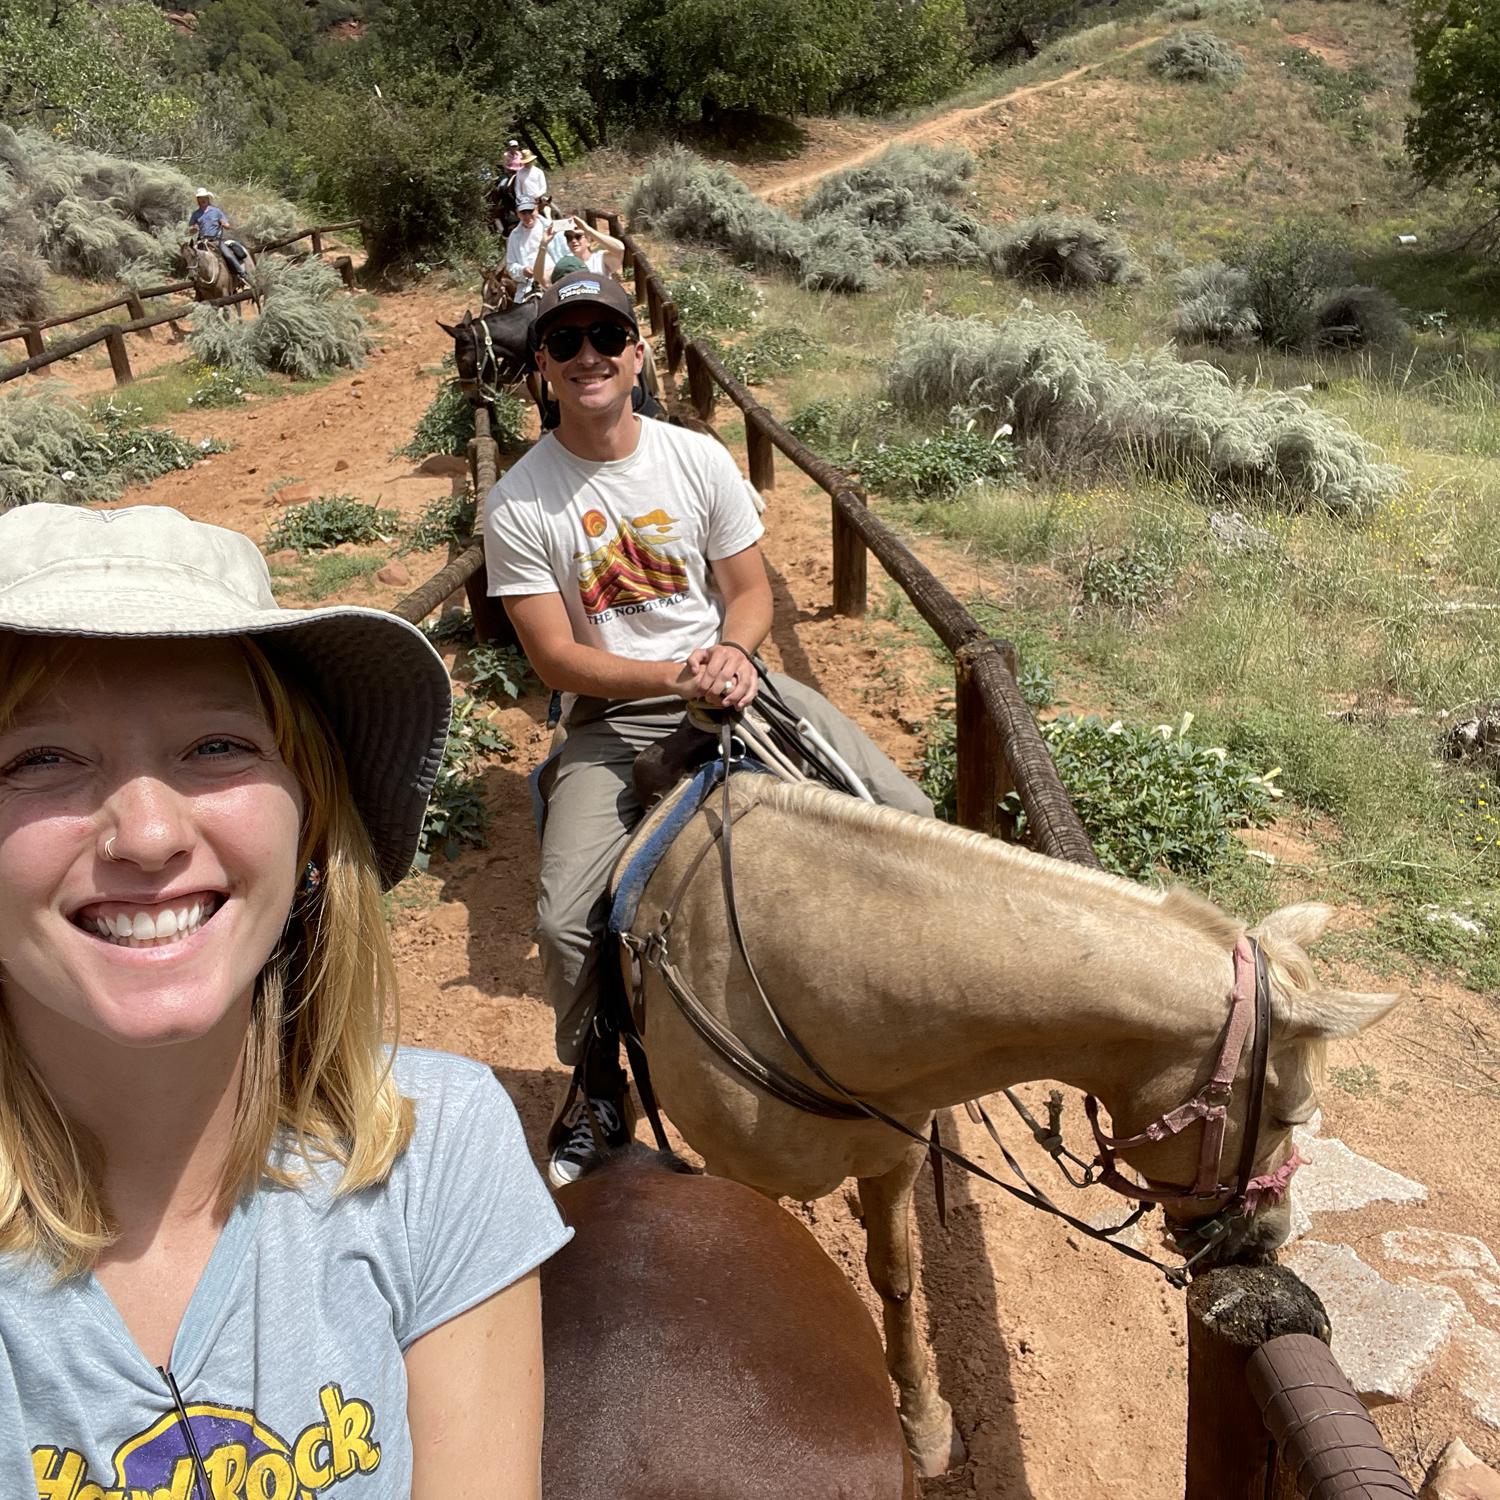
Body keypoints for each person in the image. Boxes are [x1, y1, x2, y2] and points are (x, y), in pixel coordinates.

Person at [0, 503, 569, 1499]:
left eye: (217, 745)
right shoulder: (540, 494)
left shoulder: (441, 1148)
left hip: (698, 697)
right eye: (39, 758)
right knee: (576, 911)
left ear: (310, 826)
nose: (147, 835)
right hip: (600, 709)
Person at [482, 273, 932, 1187]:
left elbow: (751, 591)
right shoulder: (522, 503)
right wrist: (669, 674)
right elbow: (555, 660)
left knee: (905, 811)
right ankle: (598, 1079)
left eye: (605, 335)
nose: (588, 357)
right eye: (563, 344)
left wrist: (730, 652)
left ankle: (911, 1023)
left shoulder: (696, 459)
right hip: (616, 714)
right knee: (569, 923)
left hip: (735, 682)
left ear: (637, 354)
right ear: (542, 371)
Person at [531, 216, 626, 287]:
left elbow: (620, 249)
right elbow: (540, 279)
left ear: (589, 241)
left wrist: (587, 229)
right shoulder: (565, 264)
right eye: (569, 237)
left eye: (578, 237)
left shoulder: (599, 259)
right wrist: (543, 245)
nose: (573, 241)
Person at [186, 188, 249, 286]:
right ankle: (194, 279)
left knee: (228, 255)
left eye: (204, 198)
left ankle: (242, 274)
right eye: (200, 198)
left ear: (208, 199)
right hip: (201, 241)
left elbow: (227, 226)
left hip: (216, 240)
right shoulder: (196, 214)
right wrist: (193, 229)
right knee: (191, 256)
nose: (202, 200)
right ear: (197, 200)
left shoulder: (216, 211)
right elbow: (190, 230)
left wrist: (224, 224)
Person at [505, 197, 561, 302]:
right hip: (530, 285)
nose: (527, 216)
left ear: (537, 209)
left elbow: (565, 253)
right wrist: (523, 271)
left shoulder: (551, 227)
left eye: (530, 211)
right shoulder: (514, 236)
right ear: (518, 214)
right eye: (523, 213)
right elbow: (511, 266)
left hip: (555, 278)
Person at [512, 151, 549, 216]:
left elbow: (543, 188)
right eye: (525, 162)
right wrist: (520, 197)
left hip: (538, 198)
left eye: (528, 161)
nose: (527, 163)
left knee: (549, 210)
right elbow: (517, 187)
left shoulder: (539, 172)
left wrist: (537, 195)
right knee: (522, 215)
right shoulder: (519, 172)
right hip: (525, 200)